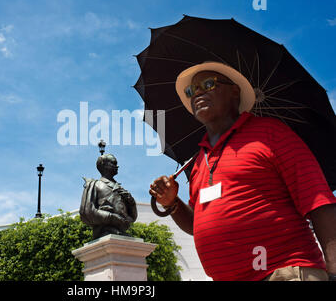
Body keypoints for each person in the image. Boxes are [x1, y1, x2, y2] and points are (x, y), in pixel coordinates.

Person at [149, 61, 336, 281]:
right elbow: (196, 226)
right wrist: (172, 203)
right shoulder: (199, 161)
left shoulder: (271, 133)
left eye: (208, 84)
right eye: (192, 90)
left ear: (234, 92)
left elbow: (319, 202)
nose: (197, 92)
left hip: (284, 273)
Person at [80, 154, 137, 239]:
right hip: (103, 231)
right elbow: (87, 211)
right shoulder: (94, 184)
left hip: (121, 231)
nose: (117, 166)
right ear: (104, 165)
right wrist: (111, 217)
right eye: (113, 163)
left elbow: (132, 218)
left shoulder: (121, 189)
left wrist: (132, 203)